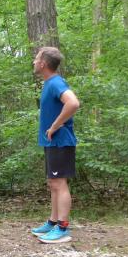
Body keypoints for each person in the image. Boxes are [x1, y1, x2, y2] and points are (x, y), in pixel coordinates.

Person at [30, 46, 81, 244]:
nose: (34, 62)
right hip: (53, 142)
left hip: (60, 141)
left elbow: (73, 103)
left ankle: (62, 228)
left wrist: (54, 126)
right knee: (53, 183)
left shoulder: (56, 83)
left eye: (36, 59)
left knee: (60, 183)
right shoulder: (49, 83)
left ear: (43, 63)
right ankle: (52, 222)